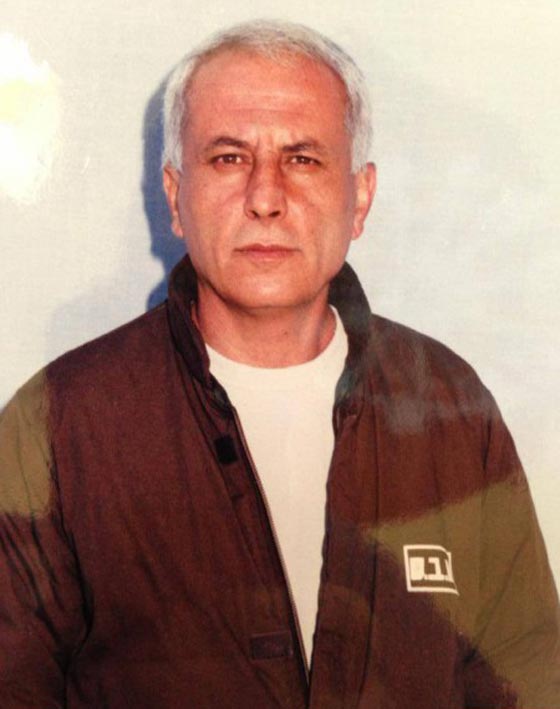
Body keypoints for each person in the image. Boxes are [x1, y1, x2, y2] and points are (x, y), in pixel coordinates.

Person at [0, 19, 558, 708]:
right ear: (175, 197)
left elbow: (528, 681)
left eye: (302, 159)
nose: (265, 198)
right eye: (229, 158)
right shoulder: (59, 424)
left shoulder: (450, 408)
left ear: (360, 198)